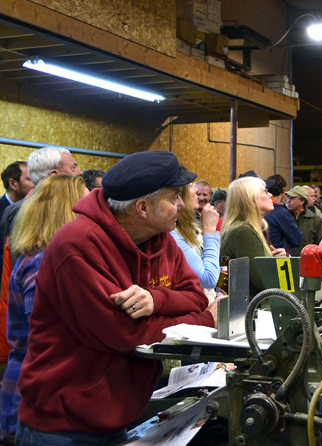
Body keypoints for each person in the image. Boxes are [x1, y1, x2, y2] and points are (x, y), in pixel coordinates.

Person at [16, 151, 217, 444]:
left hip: (116, 415)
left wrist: (156, 299)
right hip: (65, 426)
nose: (181, 205)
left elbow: (195, 296)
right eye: (173, 197)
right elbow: (125, 333)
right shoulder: (78, 245)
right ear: (143, 207)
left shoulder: (160, 240)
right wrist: (203, 320)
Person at [0, 175, 87, 442]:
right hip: (37, 397)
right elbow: (45, 342)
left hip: (35, 390)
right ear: (67, 210)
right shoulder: (44, 261)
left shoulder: (37, 256)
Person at [220, 177, 287, 297]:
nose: (270, 194)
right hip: (248, 311)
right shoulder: (243, 231)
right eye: (265, 191)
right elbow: (264, 282)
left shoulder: (248, 228)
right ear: (251, 200)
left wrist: (271, 260)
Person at [171, 183, 220, 301]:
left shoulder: (190, 226)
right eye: (191, 186)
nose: (196, 191)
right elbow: (208, 279)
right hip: (196, 310)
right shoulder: (172, 233)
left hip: (206, 305)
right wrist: (209, 231)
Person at [265, 174, 303, 252]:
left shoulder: (262, 209)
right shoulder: (280, 212)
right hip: (280, 257)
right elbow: (297, 239)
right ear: (283, 190)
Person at [286, 186, 322, 256]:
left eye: (292, 198)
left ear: (302, 201)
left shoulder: (314, 219)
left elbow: (321, 243)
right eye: (288, 198)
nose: (288, 201)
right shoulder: (284, 217)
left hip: (308, 260)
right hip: (288, 260)